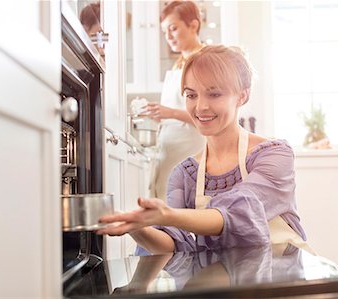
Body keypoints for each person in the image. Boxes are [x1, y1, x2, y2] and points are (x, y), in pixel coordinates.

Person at [98, 45, 312, 255]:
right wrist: (138, 228)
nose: (200, 107)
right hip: (226, 283)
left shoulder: (274, 154)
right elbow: (172, 243)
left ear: (242, 96)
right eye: (191, 95)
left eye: (214, 94)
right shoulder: (184, 174)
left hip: (284, 280)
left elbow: (241, 209)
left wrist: (168, 215)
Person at [145, 1, 205, 200]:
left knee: (184, 206)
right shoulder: (179, 63)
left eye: (173, 28)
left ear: (193, 26)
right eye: (164, 31)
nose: (168, 36)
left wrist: (169, 113)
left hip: (190, 148)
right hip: (169, 149)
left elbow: (205, 112)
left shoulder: (204, 61)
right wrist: (160, 116)